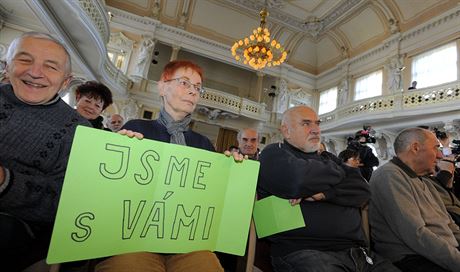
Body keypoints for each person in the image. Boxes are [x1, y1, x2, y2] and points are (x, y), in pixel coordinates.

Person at [95, 60, 223, 272]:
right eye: (185, 83)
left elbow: (211, 200)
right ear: (162, 87)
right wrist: (117, 154)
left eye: (198, 88)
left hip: (186, 242)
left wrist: (230, 171)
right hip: (133, 239)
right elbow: (107, 191)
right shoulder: (135, 129)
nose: (193, 91)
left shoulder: (204, 144)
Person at [257, 105, 399, 272]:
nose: (316, 130)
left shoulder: (328, 157)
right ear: (286, 130)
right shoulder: (273, 153)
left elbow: (362, 190)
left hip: (358, 252)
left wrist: (325, 194)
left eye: (317, 123)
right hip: (304, 252)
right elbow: (297, 179)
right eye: (306, 124)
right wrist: (341, 173)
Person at [0, 31, 89, 271]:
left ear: (65, 82)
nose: (35, 72)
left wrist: (5, 181)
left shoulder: (79, 130)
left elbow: (63, 202)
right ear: (7, 67)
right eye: (25, 60)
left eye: (50, 66)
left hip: (17, 228)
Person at [369, 127, 460, 272]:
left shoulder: (422, 179)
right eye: (436, 148)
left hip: (442, 252)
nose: (440, 155)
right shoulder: (389, 176)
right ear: (416, 148)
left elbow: (449, 224)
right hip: (412, 257)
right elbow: (416, 235)